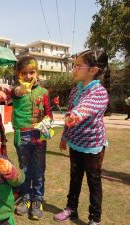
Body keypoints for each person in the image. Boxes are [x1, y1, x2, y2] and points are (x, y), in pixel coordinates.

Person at [53, 50, 109, 225]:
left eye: (78, 66)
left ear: (93, 70)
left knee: (94, 182)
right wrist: (65, 136)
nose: (74, 69)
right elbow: (70, 111)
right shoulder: (75, 90)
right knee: (75, 177)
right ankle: (71, 208)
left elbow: (86, 107)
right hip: (75, 144)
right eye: (74, 65)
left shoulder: (99, 92)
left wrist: (76, 115)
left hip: (93, 146)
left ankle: (95, 219)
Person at [12, 56, 52, 220]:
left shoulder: (44, 92)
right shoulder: (15, 92)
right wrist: (20, 91)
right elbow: (12, 94)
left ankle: (37, 200)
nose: (28, 76)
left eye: (32, 72)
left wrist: (46, 122)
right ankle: (26, 197)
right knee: (24, 169)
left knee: (38, 170)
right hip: (21, 136)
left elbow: (49, 113)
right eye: (24, 73)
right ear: (18, 75)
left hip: (38, 137)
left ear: (37, 73)